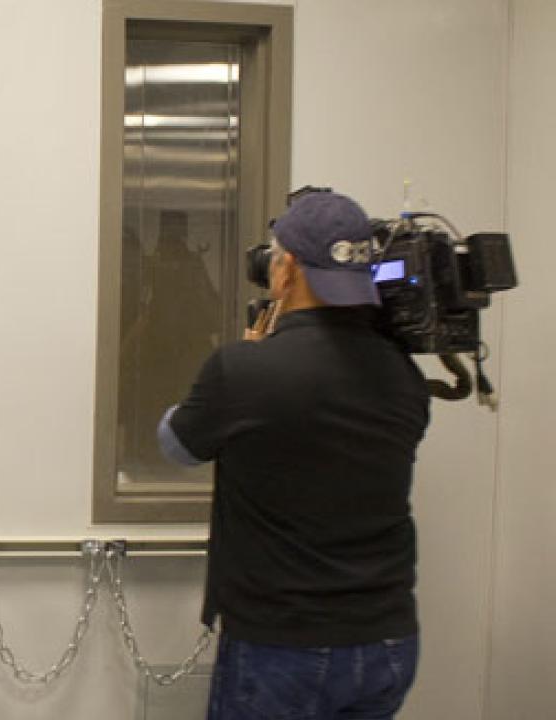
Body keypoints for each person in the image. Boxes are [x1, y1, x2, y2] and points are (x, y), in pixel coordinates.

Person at [158, 190, 430, 720]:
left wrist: (234, 376)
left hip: (281, 645)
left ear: (287, 272)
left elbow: (177, 445)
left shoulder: (245, 370)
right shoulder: (403, 376)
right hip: (387, 640)